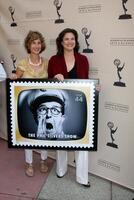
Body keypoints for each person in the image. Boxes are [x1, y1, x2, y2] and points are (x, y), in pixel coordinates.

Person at [48, 28, 91, 187]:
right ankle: (61, 170)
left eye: (72, 38)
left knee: (83, 141)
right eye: (66, 39)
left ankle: (82, 177)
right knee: (61, 137)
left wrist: (94, 88)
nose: (70, 42)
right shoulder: (53, 60)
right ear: (61, 42)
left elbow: (86, 83)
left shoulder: (83, 59)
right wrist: (53, 78)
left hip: (79, 107)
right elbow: (48, 86)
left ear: (76, 41)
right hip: (60, 105)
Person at [11, 30, 48, 177]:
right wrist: (14, 77)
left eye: (39, 42)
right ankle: (29, 163)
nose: (36, 45)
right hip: (27, 107)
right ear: (28, 44)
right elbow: (16, 81)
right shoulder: (22, 63)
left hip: (43, 106)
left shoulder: (47, 62)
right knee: (28, 134)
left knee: (44, 133)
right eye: (33, 42)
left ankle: (43, 160)